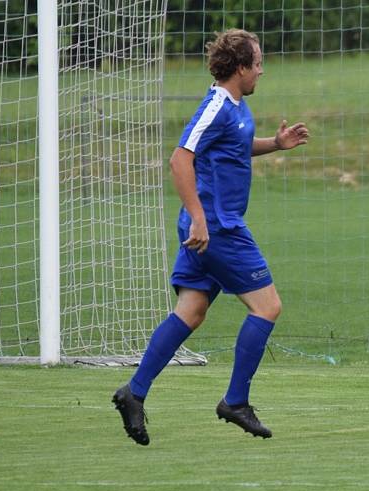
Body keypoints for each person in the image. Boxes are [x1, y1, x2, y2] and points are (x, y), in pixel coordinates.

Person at [112, 29, 309, 445]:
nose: (262, 70)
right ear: (239, 68)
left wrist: (275, 143)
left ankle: (134, 392)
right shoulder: (216, 105)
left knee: (191, 311)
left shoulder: (236, 108)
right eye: (257, 63)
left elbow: (234, 147)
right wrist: (200, 220)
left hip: (211, 225)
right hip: (218, 228)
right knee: (267, 306)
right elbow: (180, 159)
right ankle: (235, 400)